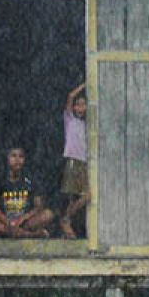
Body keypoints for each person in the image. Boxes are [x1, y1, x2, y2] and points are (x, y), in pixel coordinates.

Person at [0, 144, 55, 238]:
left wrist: (23, 218)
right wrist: (8, 222)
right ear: (7, 159)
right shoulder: (1, 182)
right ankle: (28, 235)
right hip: (6, 224)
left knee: (48, 214)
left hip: (24, 223)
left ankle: (15, 233)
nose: (17, 160)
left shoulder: (29, 181)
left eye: (21, 156)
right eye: (13, 156)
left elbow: (38, 207)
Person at [58, 82, 89, 239]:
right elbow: (70, 96)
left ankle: (67, 221)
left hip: (83, 162)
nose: (80, 108)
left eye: (84, 105)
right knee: (80, 196)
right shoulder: (69, 119)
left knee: (81, 196)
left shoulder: (87, 124)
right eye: (78, 105)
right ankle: (65, 221)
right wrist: (85, 85)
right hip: (73, 160)